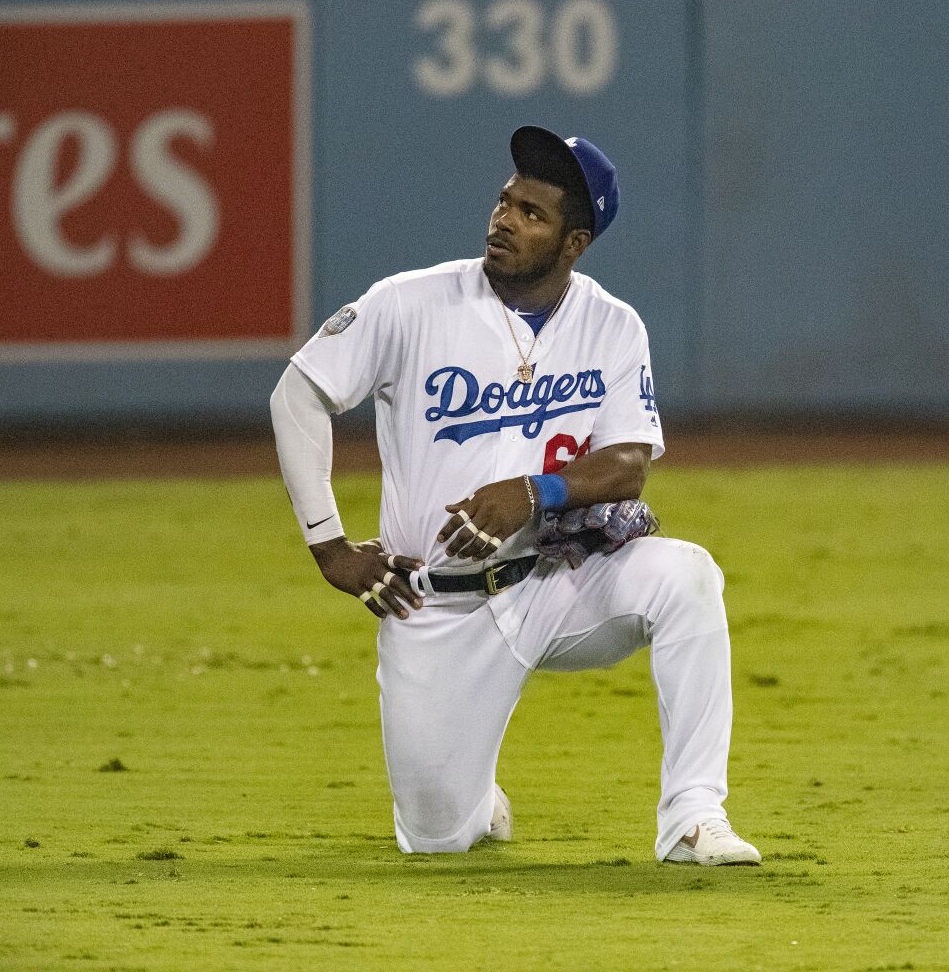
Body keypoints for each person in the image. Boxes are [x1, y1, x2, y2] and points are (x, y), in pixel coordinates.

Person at [269, 125, 760, 865]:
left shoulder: (611, 324)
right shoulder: (411, 305)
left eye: (532, 213)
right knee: (440, 840)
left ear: (575, 243)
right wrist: (329, 544)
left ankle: (694, 817)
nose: (503, 220)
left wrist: (535, 493)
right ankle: (471, 788)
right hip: (437, 602)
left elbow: (629, 460)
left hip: (559, 582)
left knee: (688, 577)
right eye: (505, 201)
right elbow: (297, 394)